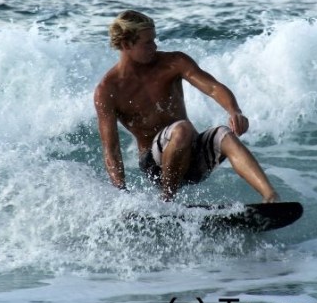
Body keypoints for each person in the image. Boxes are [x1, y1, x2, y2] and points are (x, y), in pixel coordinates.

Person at [94, 10, 280, 203]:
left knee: (226, 135)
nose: (155, 46)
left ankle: (270, 197)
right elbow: (111, 149)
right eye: (148, 42)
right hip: (156, 165)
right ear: (126, 44)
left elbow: (213, 88)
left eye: (154, 40)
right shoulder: (108, 90)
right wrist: (121, 192)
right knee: (182, 129)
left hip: (192, 158)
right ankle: (166, 202)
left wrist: (234, 110)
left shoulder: (173, 62)